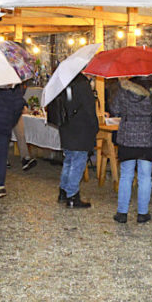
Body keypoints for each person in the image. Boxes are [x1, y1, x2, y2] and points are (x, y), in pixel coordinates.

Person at [109, 74, 152, 224]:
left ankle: (122, 213)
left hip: (127, 137)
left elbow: (115, 109)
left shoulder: (124, 89)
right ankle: (142, 213)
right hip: (148, 138)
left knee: (126, 175)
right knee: (145, 176)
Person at [46, 73, 97, 208]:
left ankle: (63, 191)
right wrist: (95, 127)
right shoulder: (82, 85)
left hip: (66, 127)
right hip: (81, 128)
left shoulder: (63, 83)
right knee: (78, 162)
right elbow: (89, 109)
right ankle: (72, 195)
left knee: (69, 161)